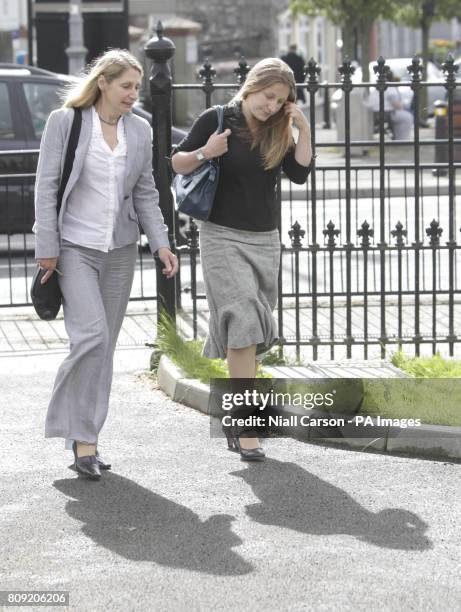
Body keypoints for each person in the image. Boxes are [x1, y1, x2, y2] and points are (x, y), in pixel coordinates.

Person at [34, 49, 178, 480]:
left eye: (137, 87)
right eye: (126, 86)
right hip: (74, 247)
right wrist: (48, 246)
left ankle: (86, 441)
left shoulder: (140, 130)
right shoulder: (67, 122)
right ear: (103, 83)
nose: (134, 94)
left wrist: (161, 243)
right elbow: (47, 185)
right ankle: (78, 434)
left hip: (119, 251)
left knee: (104, 348)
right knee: (91, 338)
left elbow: (146, 192)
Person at [171, 58, 312, 461]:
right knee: (243, 319)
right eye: (269, 97)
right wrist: (205, 151)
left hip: (264, 239)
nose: (272, 106)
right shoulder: (217, 119)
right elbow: (176, 164)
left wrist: (303, 128)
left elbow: (300, 172)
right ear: (251, 87)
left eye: (280, 100)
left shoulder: (278, 128)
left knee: (250, 329)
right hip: (220, 236)